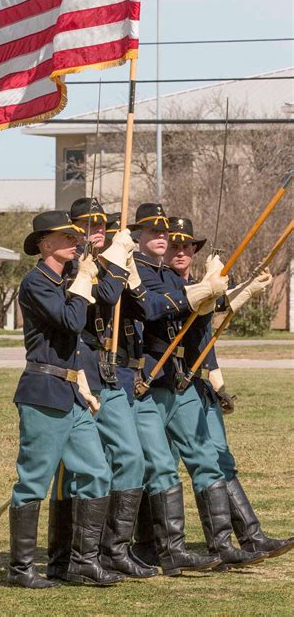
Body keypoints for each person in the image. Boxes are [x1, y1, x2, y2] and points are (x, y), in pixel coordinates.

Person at [128, 203, 267, 573]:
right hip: (151, 381)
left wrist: (234, 291)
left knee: (207, 459)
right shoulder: (138, 271)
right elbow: (156, 308)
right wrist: (207, 290)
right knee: (158, 466)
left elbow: (203, 315)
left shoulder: (167, 273)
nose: (175, 248)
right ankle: (159, 548)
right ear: (138, 237)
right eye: (163, 238)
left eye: (182, 243)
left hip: (180, 380)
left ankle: (221, 543)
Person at [164, 215, 294, 561]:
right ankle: (213, 544)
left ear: (194, 250)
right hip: (169, 385)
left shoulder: (195, 282)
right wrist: (219, 288)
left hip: (198, 382)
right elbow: (200, 308)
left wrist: (218, 381)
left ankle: (249, 536)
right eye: (174, 245)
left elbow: (210, 328)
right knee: (184, 464)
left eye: (186, 245)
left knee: (221, 459)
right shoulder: (166, 285)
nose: (180, 251)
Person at [9, 210, 123, 588]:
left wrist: (101, 270)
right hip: (44, 391)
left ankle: (83, 562)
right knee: (34, 481)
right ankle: (22, 569)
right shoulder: (37, 283)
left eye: (76, 236)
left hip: (73, 392)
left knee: (96, 470)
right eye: (66, 237)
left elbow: (99, 305)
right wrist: (82, 281)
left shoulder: (66, 279)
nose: (76, 241)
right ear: (45, 244)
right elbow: (72, 321)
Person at [47, 199, 157, 582]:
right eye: (86, 225)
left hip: (108, 375)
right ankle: (65, 556)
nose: (95, 231)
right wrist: (113, 262)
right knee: (72, 471)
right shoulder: (66, 267)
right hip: (74, 374)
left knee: (130, 455)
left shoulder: (115, 259)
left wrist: (126, 265)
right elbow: (102, 296)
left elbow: (143, 309)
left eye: (101, 225)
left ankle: (114, 550)